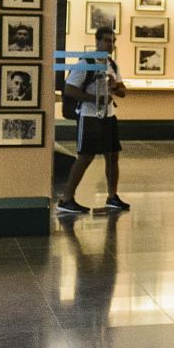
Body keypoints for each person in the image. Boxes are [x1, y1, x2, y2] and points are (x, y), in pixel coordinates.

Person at [56, 27, 129, 217]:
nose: (110, 45)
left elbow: (122, 91)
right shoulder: (85, 63)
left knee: (112, 156)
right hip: (89, 116)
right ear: (97, 42)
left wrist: (115, 87)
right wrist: (94, 98)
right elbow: (70, 89)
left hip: (109, 115)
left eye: (113, 41)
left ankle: (112, 196)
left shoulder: (111, 64)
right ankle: (66, 199)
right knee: (85, 157)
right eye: (106, 40)